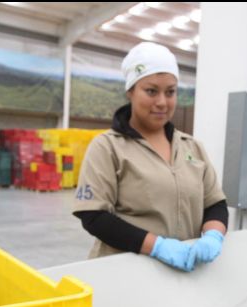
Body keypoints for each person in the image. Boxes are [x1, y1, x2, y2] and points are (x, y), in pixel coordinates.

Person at [73, 42, 228, 272]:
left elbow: (215, 203)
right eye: (151, 91)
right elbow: (94, 216)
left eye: (170, 92)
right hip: (126, 273)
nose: (162, 102)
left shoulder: (192, 147)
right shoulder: (108, 147)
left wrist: (213, 235)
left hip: (186, 273)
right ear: (131, 91)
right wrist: (157, 246)